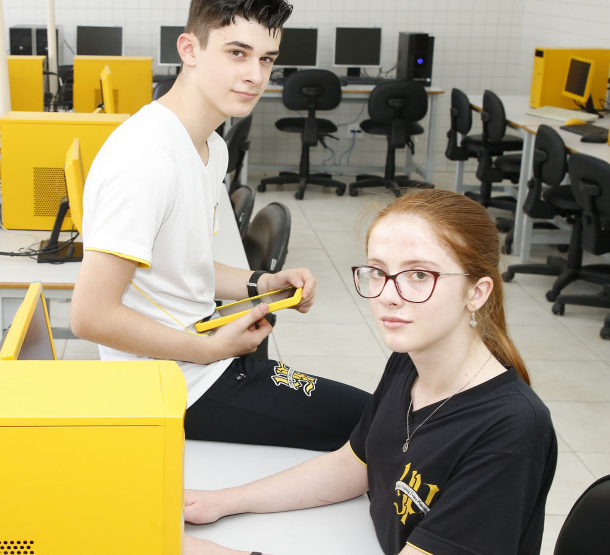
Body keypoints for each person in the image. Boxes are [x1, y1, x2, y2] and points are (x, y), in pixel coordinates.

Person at [183, 189, 558, 555]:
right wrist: (221, 501)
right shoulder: (409, 362)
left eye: (419, 275)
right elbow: (353, 464)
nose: (388, 295)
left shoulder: (511, 428)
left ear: (477, 293)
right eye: (378, 271)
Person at [70, 0, 371, 451]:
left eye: (266, 59)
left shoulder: (209, 145)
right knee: (376, 425)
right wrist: (210, 350)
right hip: (175, 385)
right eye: (237, 53)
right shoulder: (145, 161)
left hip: (203, 358)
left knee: (375, 415)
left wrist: (262, 281)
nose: (255, 75)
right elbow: (90, 316)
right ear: (189, 48)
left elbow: (183, 265)